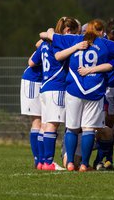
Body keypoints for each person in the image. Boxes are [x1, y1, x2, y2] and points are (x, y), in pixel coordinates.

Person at [40, 19, 114, 172]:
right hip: (95, 90)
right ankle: (84, 164)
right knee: (89, 129)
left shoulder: (74, 39)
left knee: (72, 128)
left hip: (74, 89)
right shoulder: (105, 43)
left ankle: (70, 163)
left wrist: (50, 31)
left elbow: (50, 35)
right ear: (101, 31)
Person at [29, 16, 86, 171]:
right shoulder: (59, 43)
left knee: (45, 125)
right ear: (68, 30)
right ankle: (48, 162)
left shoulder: (46, 42)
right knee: (52, 125)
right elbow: (59, 56)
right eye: (76, 32)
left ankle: (41, 162)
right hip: (57, 87)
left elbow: (33, 58)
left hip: (45, 87)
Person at [20, 40, 43, 168]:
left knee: (45, 122)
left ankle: (43, 159)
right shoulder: (53, 40)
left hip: (44, 83)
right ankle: (38, 159)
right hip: (33, 81)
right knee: (37, 121)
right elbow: (38, 44)